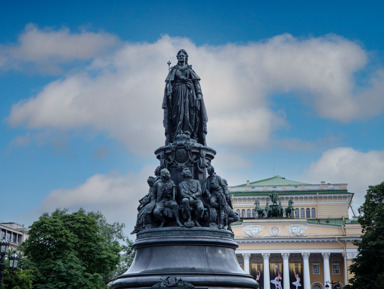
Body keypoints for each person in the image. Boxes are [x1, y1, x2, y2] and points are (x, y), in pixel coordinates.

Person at [162, 49, 208, 145]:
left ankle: (187, 131)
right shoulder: (174, 69)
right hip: (177, 93)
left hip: (188, 92)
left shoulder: (189, 69)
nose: (181, 57)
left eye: (183, 55)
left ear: (186, 57)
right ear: (177, 57)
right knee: (177, 112)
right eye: (179, 55)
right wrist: (169, 90)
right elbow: (169, 83)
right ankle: (177, 132)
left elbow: (196, 82)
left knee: (188, 113)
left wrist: (198, 94)